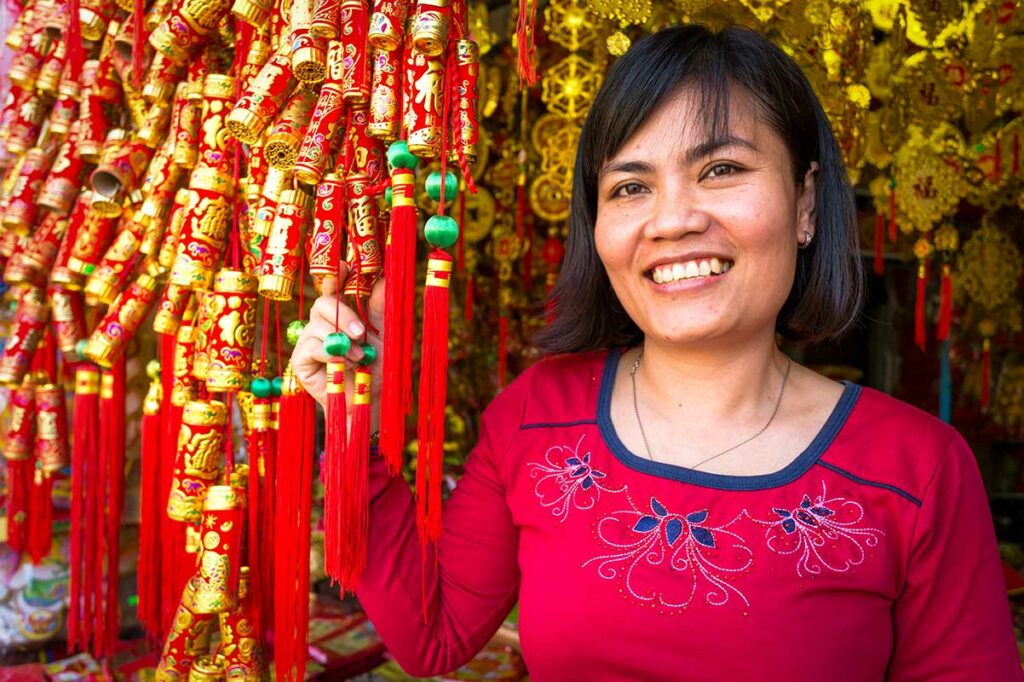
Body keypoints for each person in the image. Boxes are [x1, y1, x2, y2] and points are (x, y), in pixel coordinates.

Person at [291, 25, 1021, 681]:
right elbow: (433, 639)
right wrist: (358, 424)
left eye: (722, 170)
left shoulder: (916, 469)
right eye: (631, 185)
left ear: (805, 204)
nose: (672, 220)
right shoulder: (536, 415)